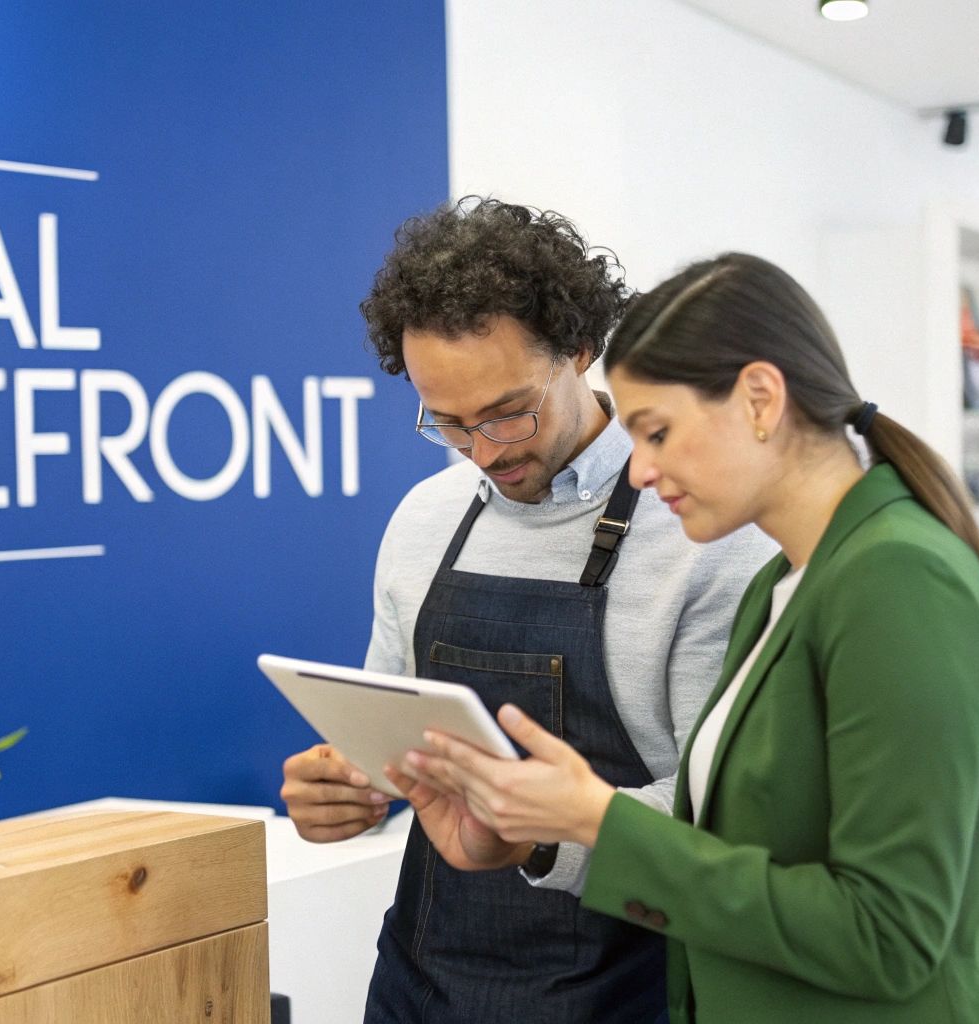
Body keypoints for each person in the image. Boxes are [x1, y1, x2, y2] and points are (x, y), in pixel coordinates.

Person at [403, 252, 979, 1022]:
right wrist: (549, 833)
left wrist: (597, 816)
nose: (639, 471)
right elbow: (743, 848)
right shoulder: (787, 584)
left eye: (657, 432)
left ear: (761, 399)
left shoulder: (899, 580)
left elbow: (888, 935)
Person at [278, 199, 772, 1023]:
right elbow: (394, 741)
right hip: (423, 980)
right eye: (449, 424)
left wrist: (541, 829)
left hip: (625, 986)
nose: (487, 452)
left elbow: (717, 816)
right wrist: (351, 790)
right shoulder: (424, 520)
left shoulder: (703, 534)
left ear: (579, 349)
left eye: (510, 411)